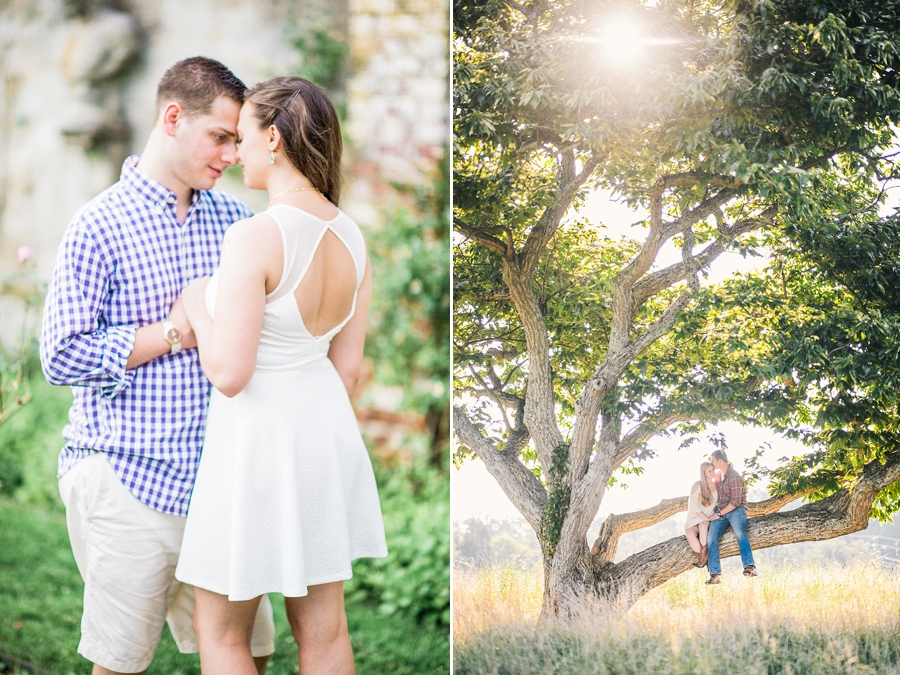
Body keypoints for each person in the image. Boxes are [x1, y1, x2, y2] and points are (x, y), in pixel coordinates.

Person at [40, 57, 275, 675]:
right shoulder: (98, 224)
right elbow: (60, 355)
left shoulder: (234, 222)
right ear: (173, 118)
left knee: (251, 654)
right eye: (220, 137)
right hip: (127, 478)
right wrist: (174, 332)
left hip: (220, 483)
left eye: (236, 140)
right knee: (121, 665)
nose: (230, 155)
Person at [173, 76, 388, 675]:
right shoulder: (352, 237)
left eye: (241, 137)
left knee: (219, 631)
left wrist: (195, 302)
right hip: (322, 437)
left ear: (272, 137)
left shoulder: (255, 236)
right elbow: (345, 369)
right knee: (323, 632)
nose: (236, 151)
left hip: (256, 445)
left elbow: (229, 372)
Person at [705, 449, 757, 584]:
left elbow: (735, 502)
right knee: (711, 538)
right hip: (721, 512)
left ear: (720, 461)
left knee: (740, 532)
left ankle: (750, 566)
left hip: (736, 511)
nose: (712, 463)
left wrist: (718, 514)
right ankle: (714, 574)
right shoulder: (719, 477)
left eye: (713, 461)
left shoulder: (734, 477)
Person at [684, 461, 718, 568]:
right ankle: (703, 558)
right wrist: (705, 517)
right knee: (689, 534)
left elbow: (721, 503)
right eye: (710, 471)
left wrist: (714, 515)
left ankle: (703, 558)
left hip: (708, 517)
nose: (712, 472)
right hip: (696, 516)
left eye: (713, 470)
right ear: (704, 472)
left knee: (703, 526)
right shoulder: (697, 485)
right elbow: (693, 505)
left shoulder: (717, 486)